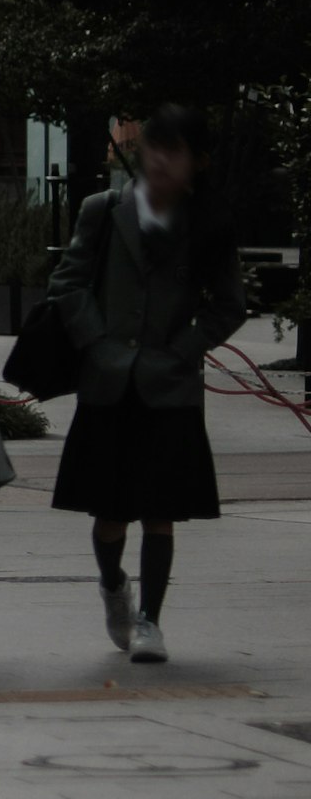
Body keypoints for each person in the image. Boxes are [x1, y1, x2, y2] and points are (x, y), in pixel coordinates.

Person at [45, 101, 243, 665]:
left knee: (161, 510)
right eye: (153, 146)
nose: (160, 159)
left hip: (169, 386)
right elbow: (67, 282)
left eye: (174, 150)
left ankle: (151, 620)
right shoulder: (104, 210)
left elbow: (230, 306)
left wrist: (183, 350)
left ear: (197, 162)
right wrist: (97, 343)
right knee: (108, 514)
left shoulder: (208, 225)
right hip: (108, 383)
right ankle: (113, 586)